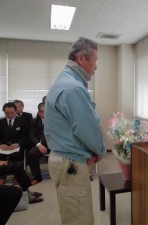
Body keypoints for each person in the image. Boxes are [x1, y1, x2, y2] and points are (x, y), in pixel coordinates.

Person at [44, 37, 106, 225]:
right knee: (79, 219)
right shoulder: (73, 89)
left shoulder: (65, 81)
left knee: (72, 214)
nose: (96, 66)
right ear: (81, 58)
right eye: (94, 61)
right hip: (70, 162)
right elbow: (86, 128)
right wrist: (99, 150)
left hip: (63, 159)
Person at [28, 102, 50, 185]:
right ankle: (37, 177)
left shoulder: (55, 121)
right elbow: (32, 135)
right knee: (31, 154)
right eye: (44, 111)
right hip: (40, 145)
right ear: (40, 113)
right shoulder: (34, 121)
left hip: (54, 145)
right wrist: (39, 145)